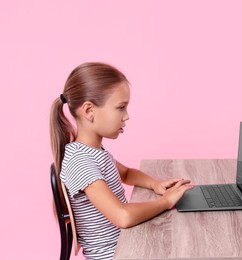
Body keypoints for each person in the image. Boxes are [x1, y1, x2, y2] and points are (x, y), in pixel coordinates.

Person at [50, 62, 193, 260]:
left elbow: (125, 173)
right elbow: (122, 216)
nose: (126, 116)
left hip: (125, 243)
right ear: (89, 110)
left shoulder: (91, 151)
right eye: (120, 108)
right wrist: (166, 201)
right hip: (113, 254)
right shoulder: (80, 162)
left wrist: (155, 184)